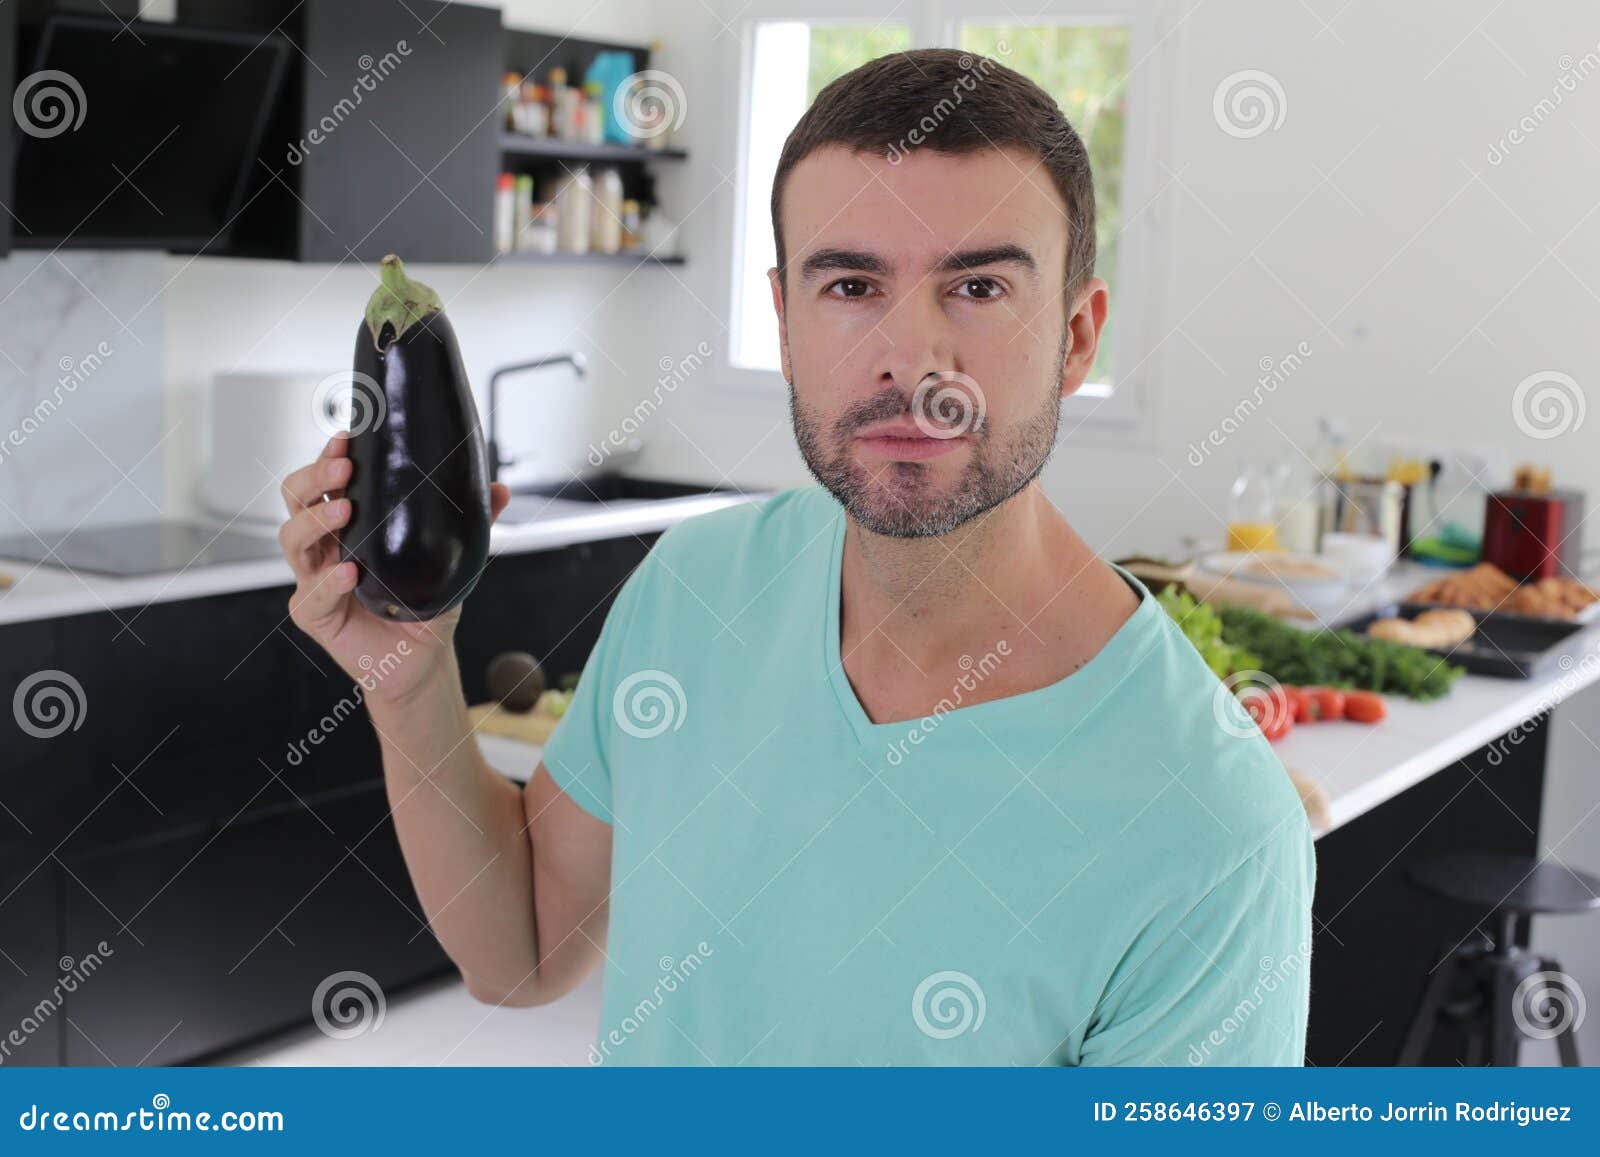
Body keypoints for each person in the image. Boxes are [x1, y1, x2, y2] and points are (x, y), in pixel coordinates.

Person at [278, 48, 1314, 1066]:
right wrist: (410, 679)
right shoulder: (696, 588)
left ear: (1077, 336)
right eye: (853, 284)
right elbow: (525, 950)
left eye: (978, 287)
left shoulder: (1211, 829)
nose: (910, 359)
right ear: (784, 324)